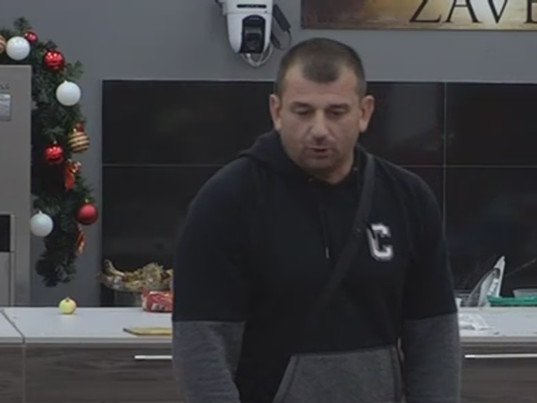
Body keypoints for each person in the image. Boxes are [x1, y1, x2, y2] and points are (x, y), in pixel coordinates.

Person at [172, 37, 461, 403]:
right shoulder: (228, 201)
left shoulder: (408, 198)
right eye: (303, 112)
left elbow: (433, 337)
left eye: (336, 112)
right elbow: (201, 348)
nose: (320, 129)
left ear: (364, 112)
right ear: (277, 111)